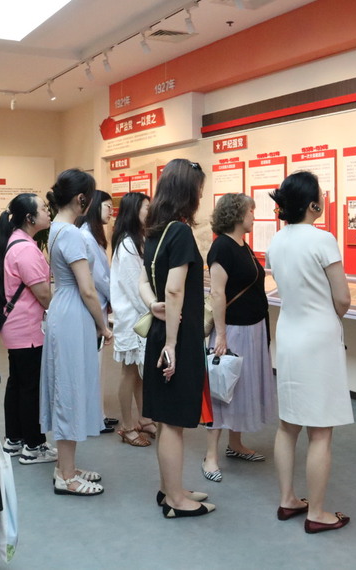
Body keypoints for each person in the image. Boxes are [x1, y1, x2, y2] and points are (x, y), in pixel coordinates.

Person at [267, 171, 353, 534]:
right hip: (318, 339)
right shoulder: (323, 239)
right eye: (321, 194)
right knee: (320, 431)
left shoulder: (276, 241)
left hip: (288, 335)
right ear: (312, 204)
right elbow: (343, 298)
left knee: (287, 425)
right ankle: (317, 512)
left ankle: (288, 498)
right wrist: (332, 312)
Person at [138, 159, 215, 518]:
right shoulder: (180, 233)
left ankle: (170, 487)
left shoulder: (155, 231)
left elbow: (144, 282)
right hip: (176, 338)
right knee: (172, 422)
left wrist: (151, 305)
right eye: (198, 189)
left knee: (166, 418)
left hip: (162, 332)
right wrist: (171, 344)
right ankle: (175, 501)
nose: (200, 195)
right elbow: (173, 290)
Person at [42, 169, 113, 496]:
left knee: (65, 385)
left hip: (63, 308)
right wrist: (104, 325)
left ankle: (65, 466)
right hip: (73, 312)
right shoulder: (71, 233)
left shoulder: (57, 228)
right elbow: (87, 289)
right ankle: (67, 476)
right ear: (81, 198)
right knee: (69, 389)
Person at [201, 193, 277, 482]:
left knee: (240, 388)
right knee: (223, 390)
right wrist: (221, 334)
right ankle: (210, 456)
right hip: (233, 330)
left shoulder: (242, 245)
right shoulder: (222, 247)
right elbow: (218, 293)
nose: (254, 216)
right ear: (236, 214)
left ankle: (235, 443)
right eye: (250, 211)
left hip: (253, 327)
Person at [0, 193, 55, 464]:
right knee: (30, 388)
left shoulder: (15, 242)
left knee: (18, 383)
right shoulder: (25, 249)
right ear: (30, 218)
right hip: (28, 328)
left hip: (16, 327)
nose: (48, 212)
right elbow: (44, 295)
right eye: (43, 209)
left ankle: (14, 439)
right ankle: (33, 445)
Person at [109, 192, 157, 447]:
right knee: (129, 373)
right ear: (133, 211)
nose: (150, 210)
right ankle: (127, 426)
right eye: (146, 207)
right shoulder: (127, 244)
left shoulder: (139, 240)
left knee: (140, 373)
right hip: (132, 319)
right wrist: (154, 309)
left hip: (141, 316)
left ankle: (144, 419)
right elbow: (133, 287)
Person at [75, 189, 119, 433]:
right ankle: (94, 418)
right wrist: (115, 298)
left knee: (97, 365)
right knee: (93, 366)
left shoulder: (92, 235)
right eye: (107, 207)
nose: (111, 212)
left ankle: (98, 414)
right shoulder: (86, 237)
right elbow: (100, 278)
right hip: (92, 308)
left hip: (98, 305)